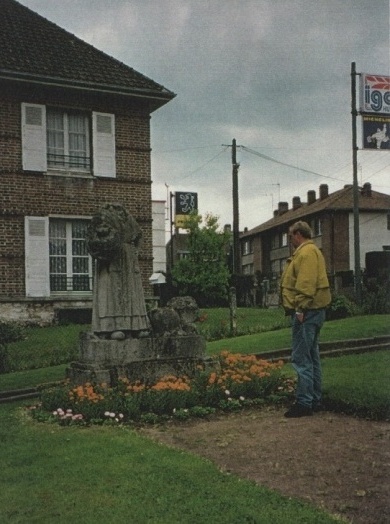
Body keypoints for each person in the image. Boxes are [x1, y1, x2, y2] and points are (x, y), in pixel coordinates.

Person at [280, 221, 331, 417]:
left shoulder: (306, 253)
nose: (290, 240)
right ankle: (314, 399)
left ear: (298, 234)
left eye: (291, 236)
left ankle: (304, 402)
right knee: (312, 356)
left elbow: (306, 284)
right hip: (314, 311)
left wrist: (300, 309)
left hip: (307, 312)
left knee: (302, 357)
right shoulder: (311, 251)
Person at [87, 203, 150, 339]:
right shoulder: (103, 217)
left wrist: (135, 252)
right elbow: (95, 237)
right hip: (110, 259)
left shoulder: (129, 219)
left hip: (128, 259)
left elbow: (139, 235)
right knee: (110, 292)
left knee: (131, 292)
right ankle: (110, 327)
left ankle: (135, 326)